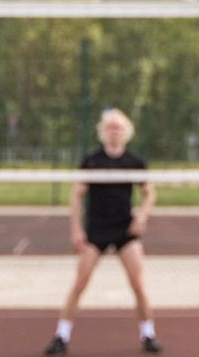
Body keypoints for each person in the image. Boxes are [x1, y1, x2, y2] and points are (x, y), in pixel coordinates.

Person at [44, 109, 160, 355]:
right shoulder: (91, 160)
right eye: (109, 127)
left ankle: (148, 334)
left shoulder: (134, 162)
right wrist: (76, 229)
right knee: (80, 282)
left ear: (126, 131)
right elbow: (76, 195)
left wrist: (142, 217)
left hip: (125, 230)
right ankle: (61, 336)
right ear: (102, 132)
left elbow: (150, 193)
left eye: (118, 127)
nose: (113, 131)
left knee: (138, 283)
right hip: (95, 231)